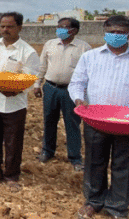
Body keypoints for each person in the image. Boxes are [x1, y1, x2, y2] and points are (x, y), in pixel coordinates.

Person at [69, 15, 129, 219]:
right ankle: (93, 201)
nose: (115, 35)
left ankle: (117, 207)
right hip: (96, 119)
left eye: (120, 32)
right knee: (95, 162)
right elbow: (77, 83)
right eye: (111, 31)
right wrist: (78, 100)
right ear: (105, 32)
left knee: (126, 165)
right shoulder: (90, 57)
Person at [0, 12, 39, 192]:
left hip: (14, 104)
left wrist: (16, 89)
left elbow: (30, 78)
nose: (5, 30)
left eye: (10, 26)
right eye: (2, 26)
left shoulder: (28, 52)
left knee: (13, 141)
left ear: (19, 27)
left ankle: (11, 175)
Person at [34, 18, 91, 171]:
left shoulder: (84, 48)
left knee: (72, 124)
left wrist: (84, 96)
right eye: (58, 27)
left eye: (64, 27)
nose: (60, 30)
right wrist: (37, 84)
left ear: (74, 30)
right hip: (51, 88)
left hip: (71, 91)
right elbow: (42, 65)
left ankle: (75, 157)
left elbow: (89, 74)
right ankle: (47, 151)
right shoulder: (50, 44)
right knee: (49, 120)